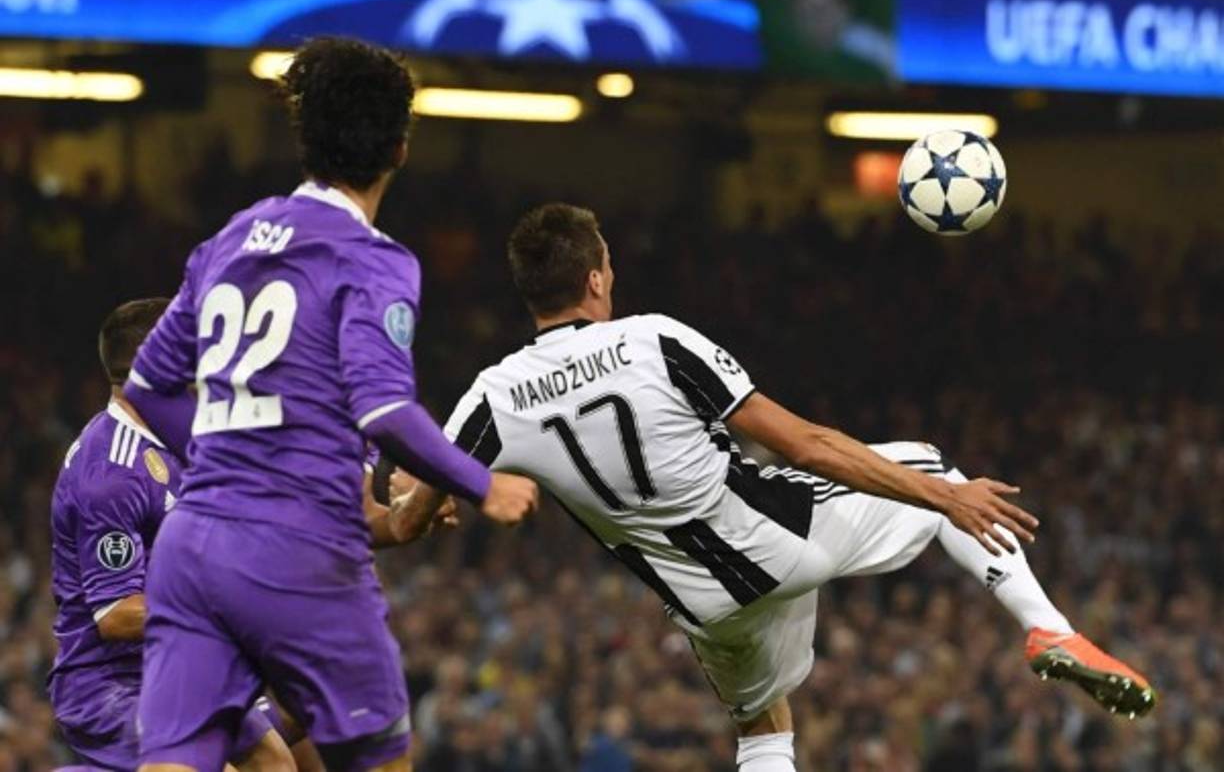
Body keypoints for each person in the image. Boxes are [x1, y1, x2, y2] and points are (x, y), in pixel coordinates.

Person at [390, 203, 1157, 772]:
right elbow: (807, 443)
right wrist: (946, 500)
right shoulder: (654, 338)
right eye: (610, 265)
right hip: (775, 535)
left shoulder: (494, 396)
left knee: (762, 725)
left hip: (702, 604)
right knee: (929, 467)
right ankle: (1047, 624)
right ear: (596, 277)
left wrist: (418, 504)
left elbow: (410, 513)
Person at [121, 38, 538, 772]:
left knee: (175, 762)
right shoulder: (371, 257)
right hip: (298, 555)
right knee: (379, 761)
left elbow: (149, 387)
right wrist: (485, 483)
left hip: (189, 548)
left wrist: (234, 453)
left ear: (305, 140)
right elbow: (383, 410)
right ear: (400, 150)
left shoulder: (228, 240)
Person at [48, 298, 295, 772]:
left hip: (182, 669)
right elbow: (116, 615)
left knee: (277, 761)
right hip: (109, 684)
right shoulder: (111, 474)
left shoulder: (177, 438)